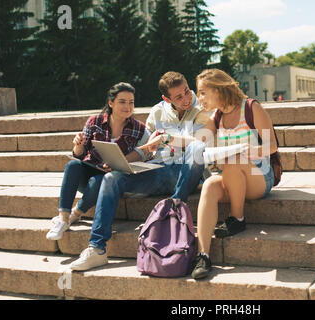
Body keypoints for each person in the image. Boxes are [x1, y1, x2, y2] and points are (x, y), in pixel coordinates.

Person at [69, 71, 209, 271]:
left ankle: (175, 205)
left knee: (196, 149)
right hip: (159, 170)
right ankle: (97, 248)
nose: (186, 98)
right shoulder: (157, 112)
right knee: (111, 178)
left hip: (188, 172)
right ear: (166, 98)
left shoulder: (202, 109)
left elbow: (203, 145)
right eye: (178, 96)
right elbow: (146, 150)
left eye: (187, 91)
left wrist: (168, 139)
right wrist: (122, 162)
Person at [190, 68, 277, 279]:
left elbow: (272, 145)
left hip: (259, 176)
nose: (199, 98)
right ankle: (203, 255)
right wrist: (165, 140)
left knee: (234, 158)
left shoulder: (251, 107)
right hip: (233, 176)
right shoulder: (216, 117)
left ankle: (237, 217)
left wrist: (244, 152)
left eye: (203, 92)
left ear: (219, 89)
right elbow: (196, 142)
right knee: (210, 185)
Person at [46, 82, 149, 241]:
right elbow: (79, 155)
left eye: (131, 102)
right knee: (72, 164)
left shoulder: (139, 129)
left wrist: (119, 165)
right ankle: (63, 218)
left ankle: (76, 214)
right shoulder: (94, 121)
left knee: (100, 180)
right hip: (88, 172)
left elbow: (145, 153)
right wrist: (77, 146)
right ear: (111, 103)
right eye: (122, 101)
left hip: (110, 179)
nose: (128, 107)